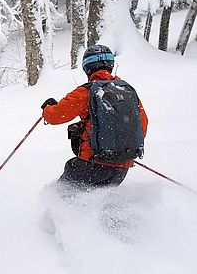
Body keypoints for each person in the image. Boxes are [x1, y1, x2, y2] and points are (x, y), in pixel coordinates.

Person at [41, 45, 148, 191]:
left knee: (59, 196)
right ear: (110, 65)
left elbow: (55, 116)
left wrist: (47, 108)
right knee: (98, 202)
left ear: (87, 67)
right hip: (122, 169)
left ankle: (55, 214)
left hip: (91, 164)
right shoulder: (126, 91)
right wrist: (117, 149)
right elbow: (142, 125)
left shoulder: (87, 91)